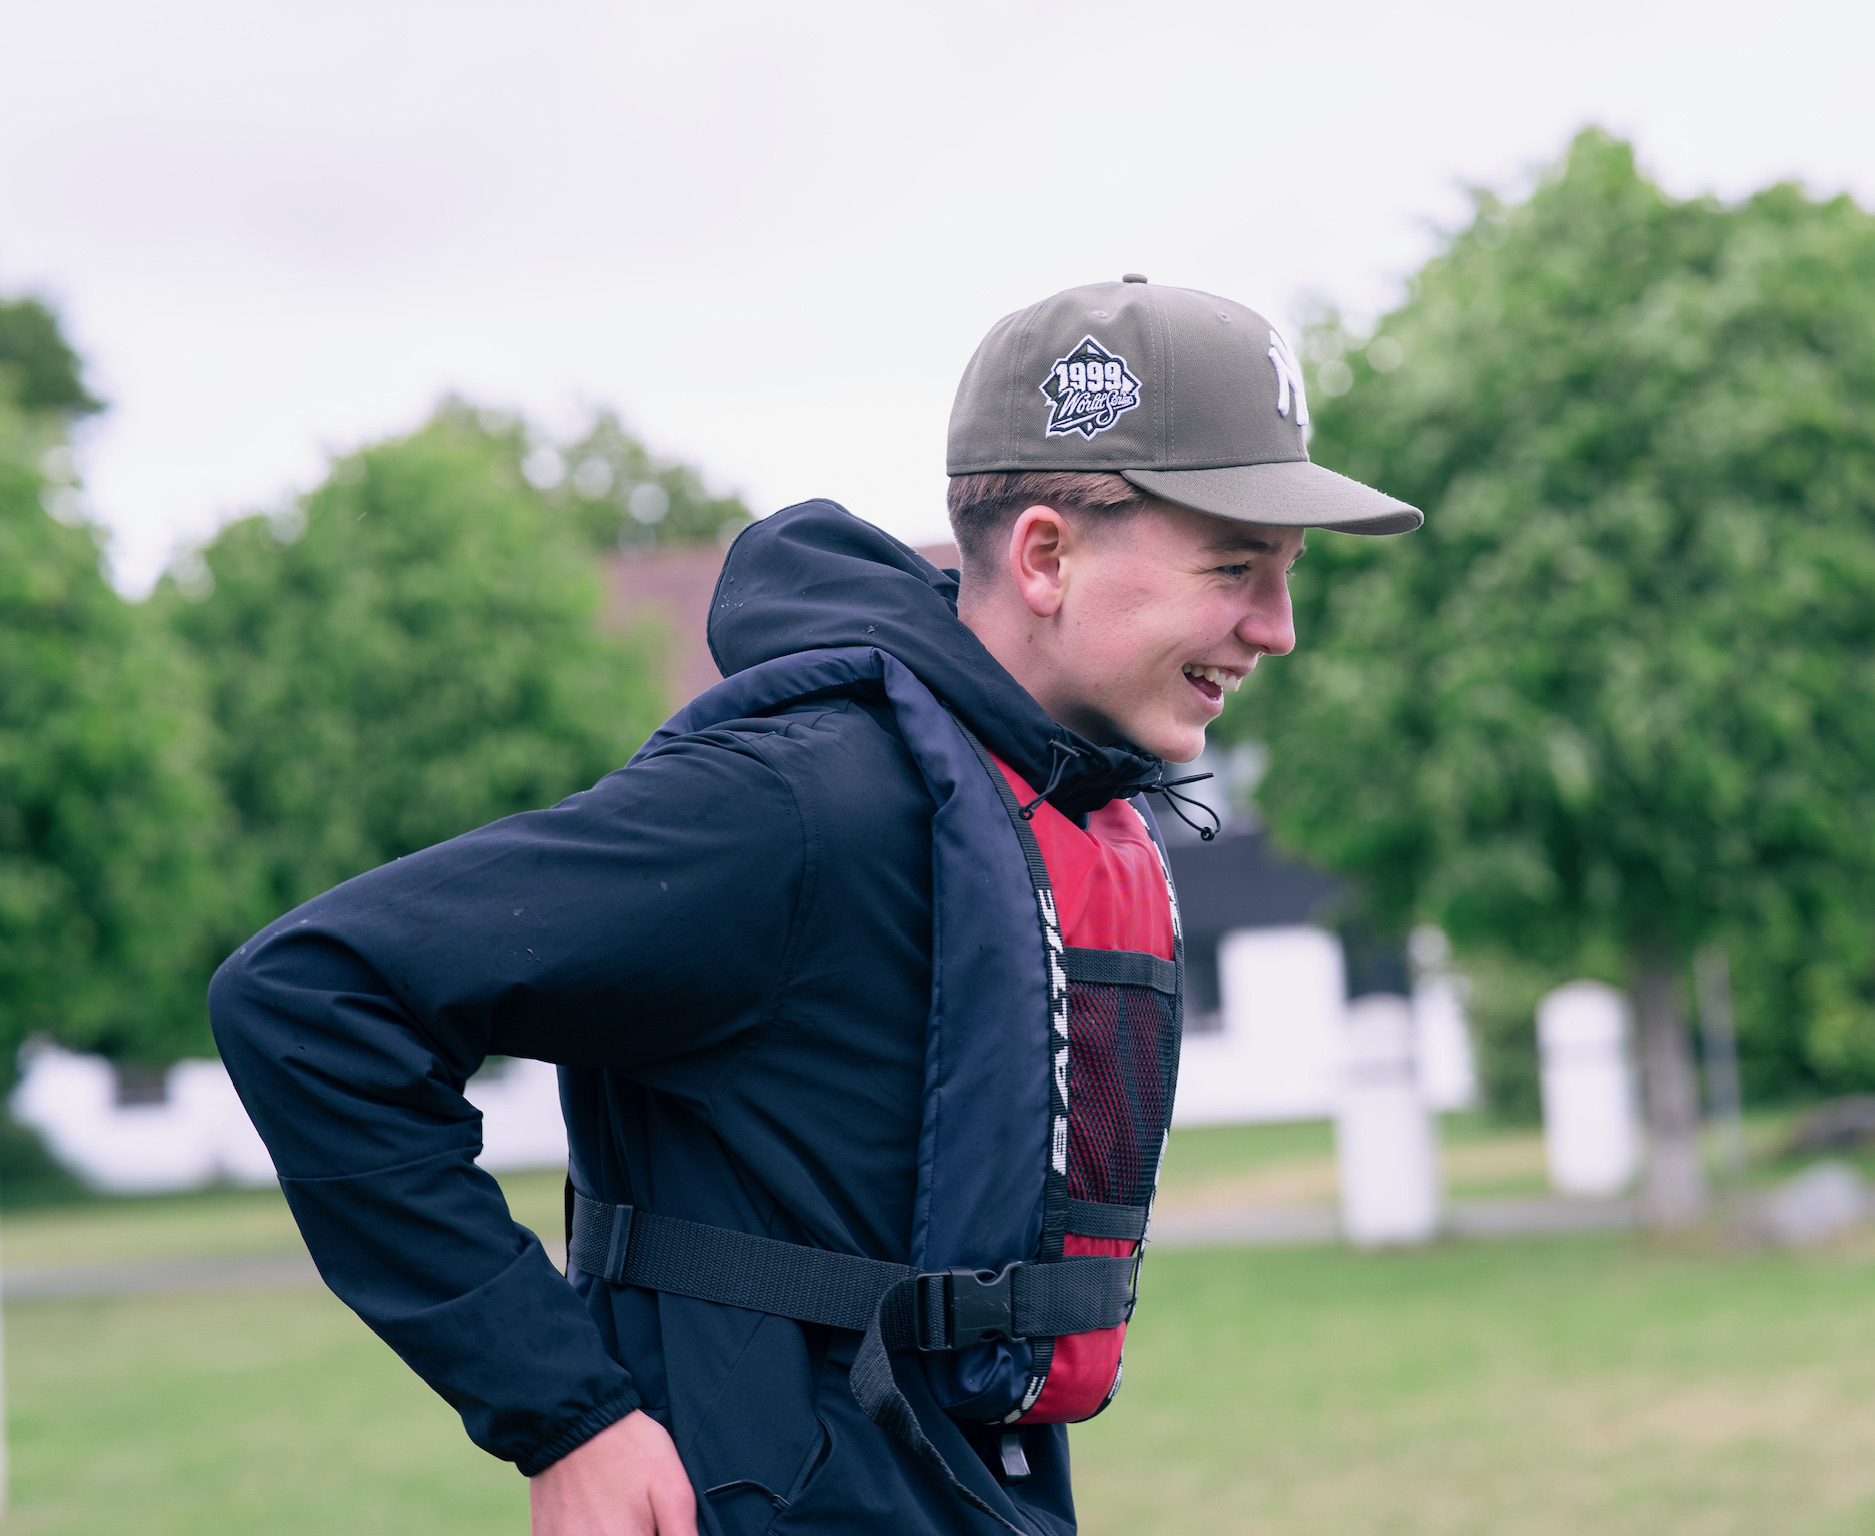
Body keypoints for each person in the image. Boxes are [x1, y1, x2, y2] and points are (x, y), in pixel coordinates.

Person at [210, 275, 1421, 1536]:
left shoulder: (1025, 803)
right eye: (1235, 568)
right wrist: (567, 1414)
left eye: (1284, 575)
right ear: (1046, 556)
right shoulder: (797, 802)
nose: (1277, 628)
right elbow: (310, 998)